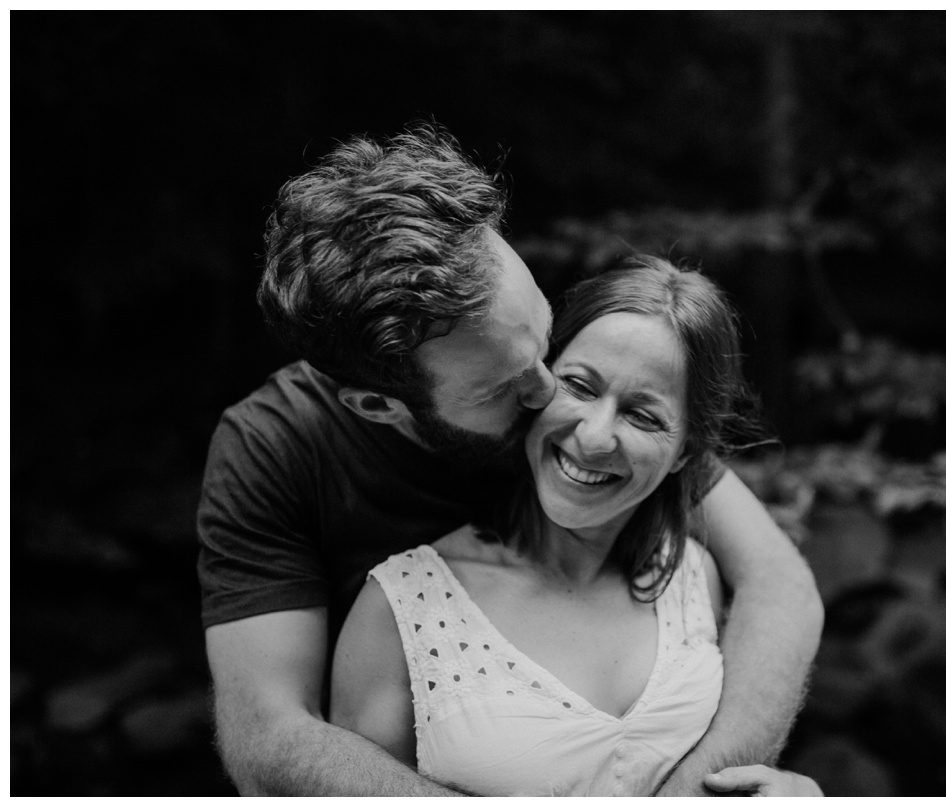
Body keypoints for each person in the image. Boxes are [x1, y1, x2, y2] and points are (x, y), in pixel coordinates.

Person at [197, 123, 823, 796]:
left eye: (547, 342)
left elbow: (777, 581)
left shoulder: (532, 347)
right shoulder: (275, 449)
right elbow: (270, 733)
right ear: (381, 407)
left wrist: (708, 790)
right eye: (506, 385)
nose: (551, 390)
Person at [330, 257, 823, 796]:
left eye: (643, 415)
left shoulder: (692, 577)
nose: (594, 438)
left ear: (687, 455)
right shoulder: (404, 607)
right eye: (580, 386)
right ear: (536, 383)